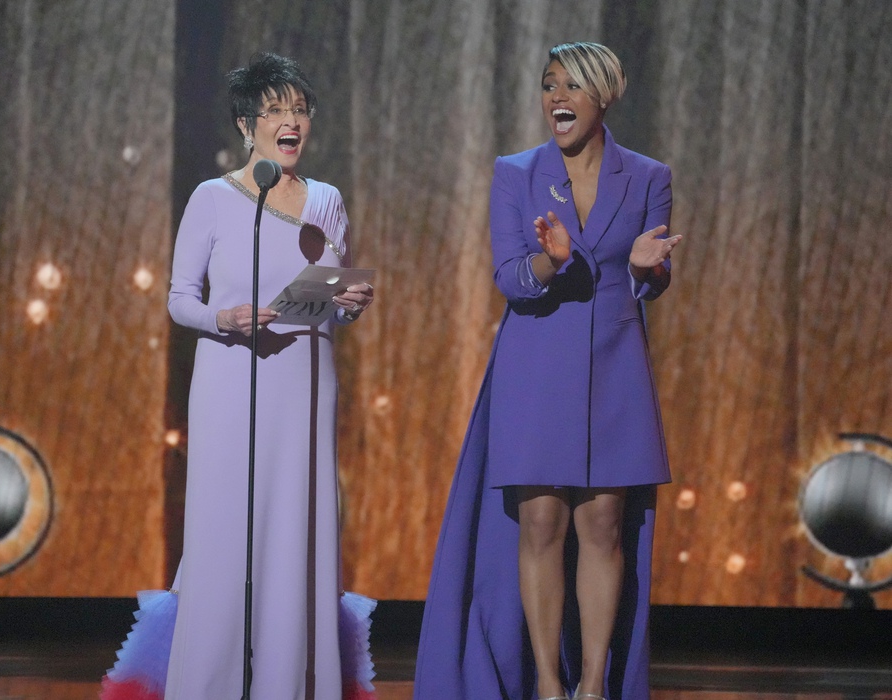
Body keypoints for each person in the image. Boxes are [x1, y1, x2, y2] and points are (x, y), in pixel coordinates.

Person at [100, 52, 377, 700]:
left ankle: (291, 685)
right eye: (276, 111)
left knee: (295, 535)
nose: (291, 122)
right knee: (223, 537)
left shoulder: (327, 201)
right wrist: (222, 318)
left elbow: (327, 306)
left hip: (305, 384)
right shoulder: (214, 199)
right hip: (228, 383)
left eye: (300, 110)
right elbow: (178, 299)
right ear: (246, 124)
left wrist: (346, 304)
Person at [414, 41, 681, 700]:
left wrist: (649, 270)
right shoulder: (517, 172)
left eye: (571, 87)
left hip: (614, 370)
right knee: (540, 526)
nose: (556, 99)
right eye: (548, 85)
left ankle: (593, 686)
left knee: (602, 527)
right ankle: (546, 682)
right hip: (535, 367)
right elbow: (512, 278)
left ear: (602, 96)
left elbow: (651, 282)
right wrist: (553, 261)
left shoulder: (648, 176)